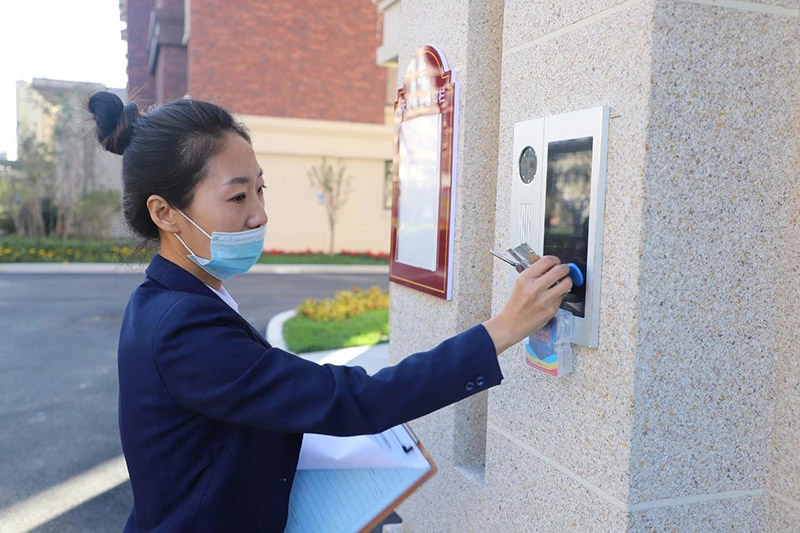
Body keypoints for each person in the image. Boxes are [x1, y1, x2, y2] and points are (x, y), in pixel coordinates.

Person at [88, 91, 573, 532]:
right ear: (164, 212)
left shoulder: (165, 301)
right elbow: (348, 401)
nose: (259, 214)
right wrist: (504, 328)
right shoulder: (182, 327)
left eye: (260, 189)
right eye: (237, 196)